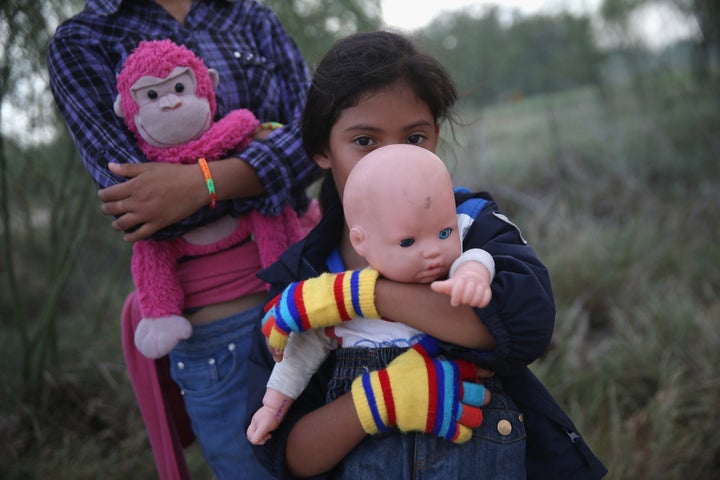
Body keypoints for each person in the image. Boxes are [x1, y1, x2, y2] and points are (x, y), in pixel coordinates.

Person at [245, 30, 608, 479]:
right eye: (364, 141)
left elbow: (527, 324)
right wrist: (378, 402)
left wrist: (363, 297)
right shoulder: (300, 279)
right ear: (322, 149)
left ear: (436, 136)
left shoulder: (473, 225)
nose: (391, 158)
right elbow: (289, 455)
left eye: (414, 138)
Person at [47, 1, 320, 479]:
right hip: (221, 332)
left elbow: (316, 141)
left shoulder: (250, 16)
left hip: (320, 292)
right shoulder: (85, 40)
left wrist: (202, 184)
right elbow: (140, 203)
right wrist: (258, 170)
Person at [247, 144, 497, 446]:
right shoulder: (342, 305)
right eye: (407, 242)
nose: (433, 252)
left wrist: (473, 276)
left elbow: (478, 256)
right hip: (376, 455)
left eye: (444, 233)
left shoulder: (451, 274)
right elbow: (299, 356)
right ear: (362, 243)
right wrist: (272, 407)